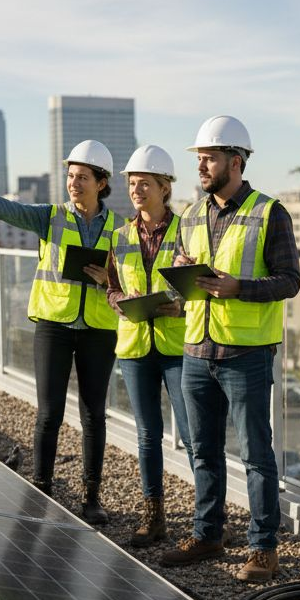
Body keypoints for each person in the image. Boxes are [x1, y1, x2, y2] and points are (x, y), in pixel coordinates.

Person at [0, 140, 118, 525]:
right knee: (49, 413)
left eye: (82, 177)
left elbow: (131, 277)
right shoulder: (50, 217)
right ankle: (42, 490)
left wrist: (108, 279)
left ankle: (91, 497)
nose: (73, 183)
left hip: (98, 329)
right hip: (53, 326)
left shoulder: (120, 229)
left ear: (101, 183)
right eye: (70, 176)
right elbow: (8, 209)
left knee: (94, 415)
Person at [158, 115, 300, 583]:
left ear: (235, 161)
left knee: (256, 455)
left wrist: (239, 287)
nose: (201, 166)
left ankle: (263, 549)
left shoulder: (270, 212)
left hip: (247, 355)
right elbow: (181, 286)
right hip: (197, 350)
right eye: (199, 158)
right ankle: (208, 534)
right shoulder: (189, 216)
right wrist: (181, 272)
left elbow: (289, 281)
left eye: (209, 158)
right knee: (202, 451)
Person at [105, 145, 194, 547]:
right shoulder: (120, 236)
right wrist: (121, 302)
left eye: (144, 184)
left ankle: (208, 520)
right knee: (147, 435)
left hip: (177, 345)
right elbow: (111, 287)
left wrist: (182, 305)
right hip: (136, 346)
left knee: (192, 435)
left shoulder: (186, 231)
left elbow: (197, 282)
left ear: (164, 188)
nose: (136, 190)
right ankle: (153, 516)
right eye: (132, 183)